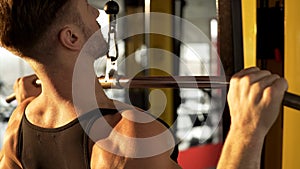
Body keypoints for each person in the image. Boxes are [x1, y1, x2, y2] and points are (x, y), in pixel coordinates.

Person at [0, 0, 288, 169]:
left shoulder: (18, 127)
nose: (97, 12)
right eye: (86, 5)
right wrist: (247, 129)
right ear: (72, 38)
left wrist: (36, 101)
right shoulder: (128, 139)